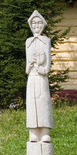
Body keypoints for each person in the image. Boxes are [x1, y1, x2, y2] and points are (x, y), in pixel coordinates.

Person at [26, 10, 53, 143]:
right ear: (31, 25)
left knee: (43, 102)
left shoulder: (46, 41)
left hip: (41, 77)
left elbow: (48, 64)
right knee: (32, 103)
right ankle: (33, 132)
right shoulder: (28, 42)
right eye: (34, 23)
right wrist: (30, 65)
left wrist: (40, 68)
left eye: (39, 23)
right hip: (31, 77)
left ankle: (44, 131)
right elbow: (26, 67)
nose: (36, 26)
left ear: (42, 25)